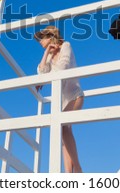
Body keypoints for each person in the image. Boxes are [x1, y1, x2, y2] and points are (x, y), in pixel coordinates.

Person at [34, 25, 84, 173]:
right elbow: (40, 73)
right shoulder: (49, 55)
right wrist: (46, 53)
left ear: (50, 37)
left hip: (75, 96)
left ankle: (78, 169)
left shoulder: (66, 46)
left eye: (42, 37)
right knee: (63, 134)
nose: (40, 41)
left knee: (62, 128)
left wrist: (43, 79)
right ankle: (69, 173)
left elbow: (63, 67)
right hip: (62, 102)